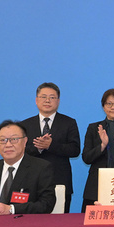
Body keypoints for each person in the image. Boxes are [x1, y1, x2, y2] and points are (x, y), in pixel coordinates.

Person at [21, 82, 80, 213]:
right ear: (36, 100)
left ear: (58, 101)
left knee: (60, 224)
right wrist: (39, 148)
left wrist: (51, 145)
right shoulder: (25, 124)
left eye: (52, 97)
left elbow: (75, 150)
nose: (47, 100)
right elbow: (21, 152)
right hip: (31, 181)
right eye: (43, 97)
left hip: (60, 180)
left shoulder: (69, 122)